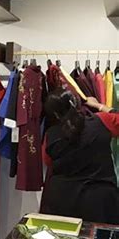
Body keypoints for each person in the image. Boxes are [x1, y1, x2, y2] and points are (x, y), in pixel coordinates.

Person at [41, 89, 119, 224]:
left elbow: (48, 162)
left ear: (54, 114)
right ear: (77, 104)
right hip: (100, 201)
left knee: (65, 237)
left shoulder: (50, 135)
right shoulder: (101, 121)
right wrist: (99, 106)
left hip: (62, 200)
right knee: (102, 237)